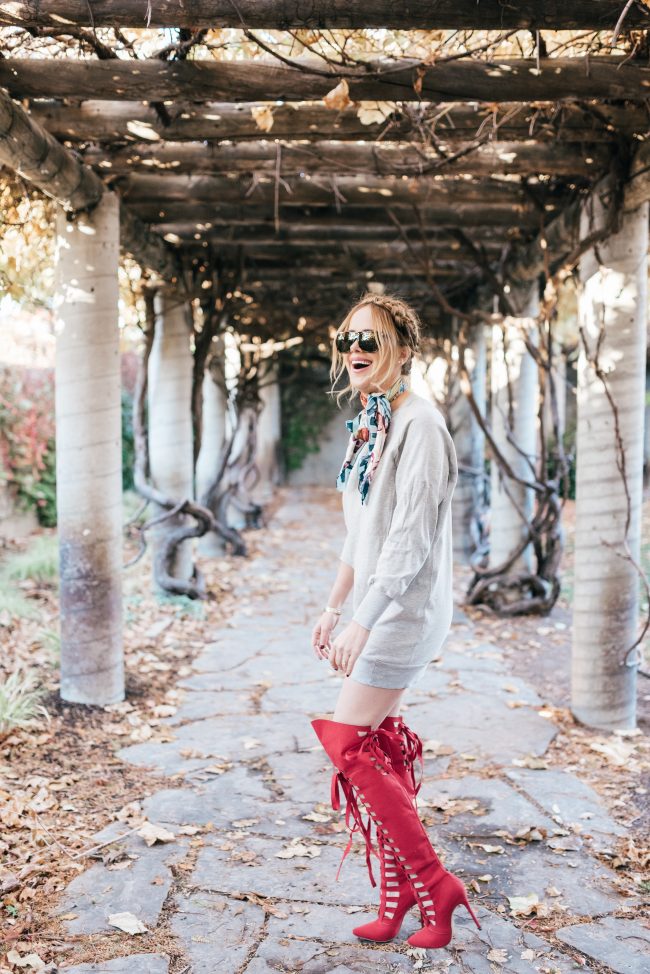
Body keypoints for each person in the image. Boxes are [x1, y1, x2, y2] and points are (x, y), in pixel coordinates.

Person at [310, 293, 480, 949]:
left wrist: (366, 622)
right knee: (371, 746)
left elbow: (407, 544)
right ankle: (400, 892)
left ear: (404, 351)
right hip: (377, 605)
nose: (355, 350)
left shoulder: (421, 427)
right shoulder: (372, 426)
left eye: (371, 340)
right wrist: (334, 608)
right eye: (346, 339)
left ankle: (433, 884)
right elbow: (363, 534)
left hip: (405, 613)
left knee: (347, 744)